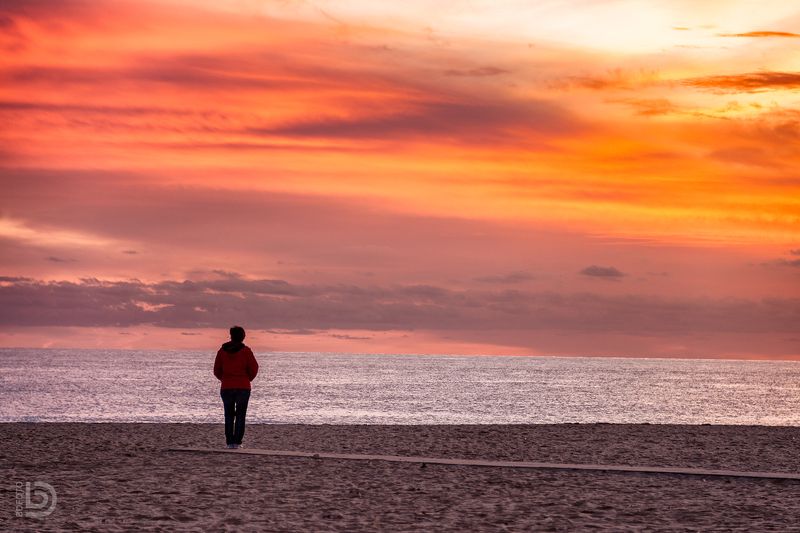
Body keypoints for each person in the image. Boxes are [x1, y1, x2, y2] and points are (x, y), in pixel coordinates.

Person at [213, 326, 259, 449]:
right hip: (243, 387)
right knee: (240, 415)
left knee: (228, 415)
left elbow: (216, 370)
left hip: (227, 386)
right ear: (242, 337)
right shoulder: (246, 351)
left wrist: (224, 379)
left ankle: (229, 442)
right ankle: (237, 442)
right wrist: (247, 379)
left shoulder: (222, 351)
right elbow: (254, 368)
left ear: (231, 336)